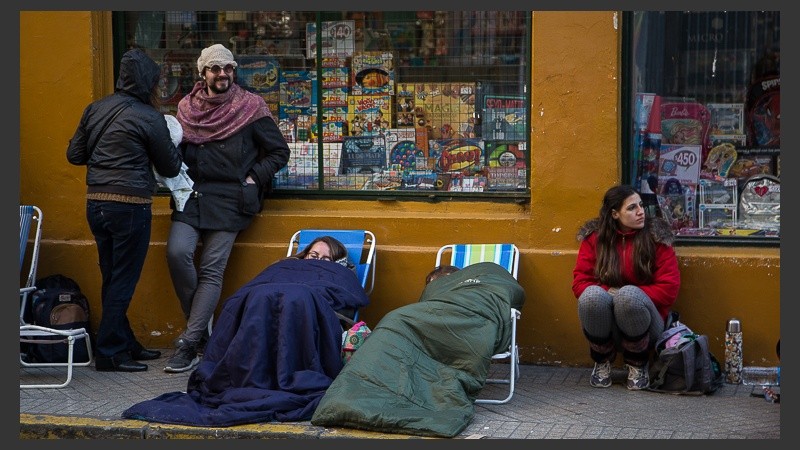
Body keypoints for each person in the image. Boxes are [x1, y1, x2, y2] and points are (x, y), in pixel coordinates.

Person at [122, 235, 370, 426]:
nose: (316, 261)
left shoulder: (337, 273)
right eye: (313, 255)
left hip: (306, 298)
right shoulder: (284, 266)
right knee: (254, 295)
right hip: (268, 292)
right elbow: (260, 281)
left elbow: (347, 294)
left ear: (336, 264)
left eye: (325, 259)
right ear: (303, 255)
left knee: (296, 296)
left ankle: (262, 374)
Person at [164, 43, 290, 373]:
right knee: (178, 254)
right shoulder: (186, 109)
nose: (223, 74)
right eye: (215, 69)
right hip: (191, 196)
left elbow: (279, 152)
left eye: (228, 69)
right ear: (202, 73)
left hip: (232, 199)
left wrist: (252, 177)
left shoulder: (251, 106)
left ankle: (190, 343)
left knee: (211, 268)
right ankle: (204, 331)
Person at [66, 48, 183, 372]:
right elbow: (171, 168)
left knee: (112, 276)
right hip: (129, 205)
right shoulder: (149, 117)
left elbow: (74, 155)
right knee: (123, 280)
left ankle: (126, 342)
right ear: (148, 82)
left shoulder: (96, 109)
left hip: (96, 204)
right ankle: (109, 352)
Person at [572, 184, 680, 390]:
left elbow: (668, 289)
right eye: (631, 208)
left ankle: (638, 364)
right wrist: (610, 294)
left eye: (641, 205)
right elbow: (580, 282)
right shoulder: (595, 239)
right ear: (614, 214)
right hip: (608, 322)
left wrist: (626, 295)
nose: (641, 212)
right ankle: (602, 361)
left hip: (649, 323)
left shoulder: (656, 238)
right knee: (591, 296)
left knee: (628, 296)